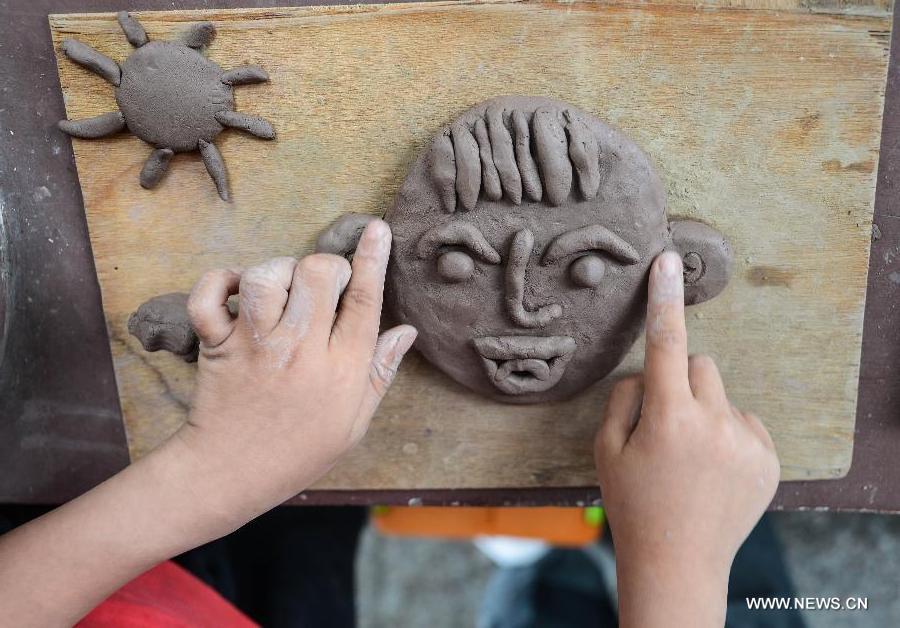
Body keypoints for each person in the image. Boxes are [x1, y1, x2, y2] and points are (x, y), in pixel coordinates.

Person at [0, 220, 779, 627]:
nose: (520, 306)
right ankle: (546, 573)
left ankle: (541, 570)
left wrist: (209, 474)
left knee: (310, 493)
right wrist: (679, 571)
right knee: (752, 583)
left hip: (107, 578)